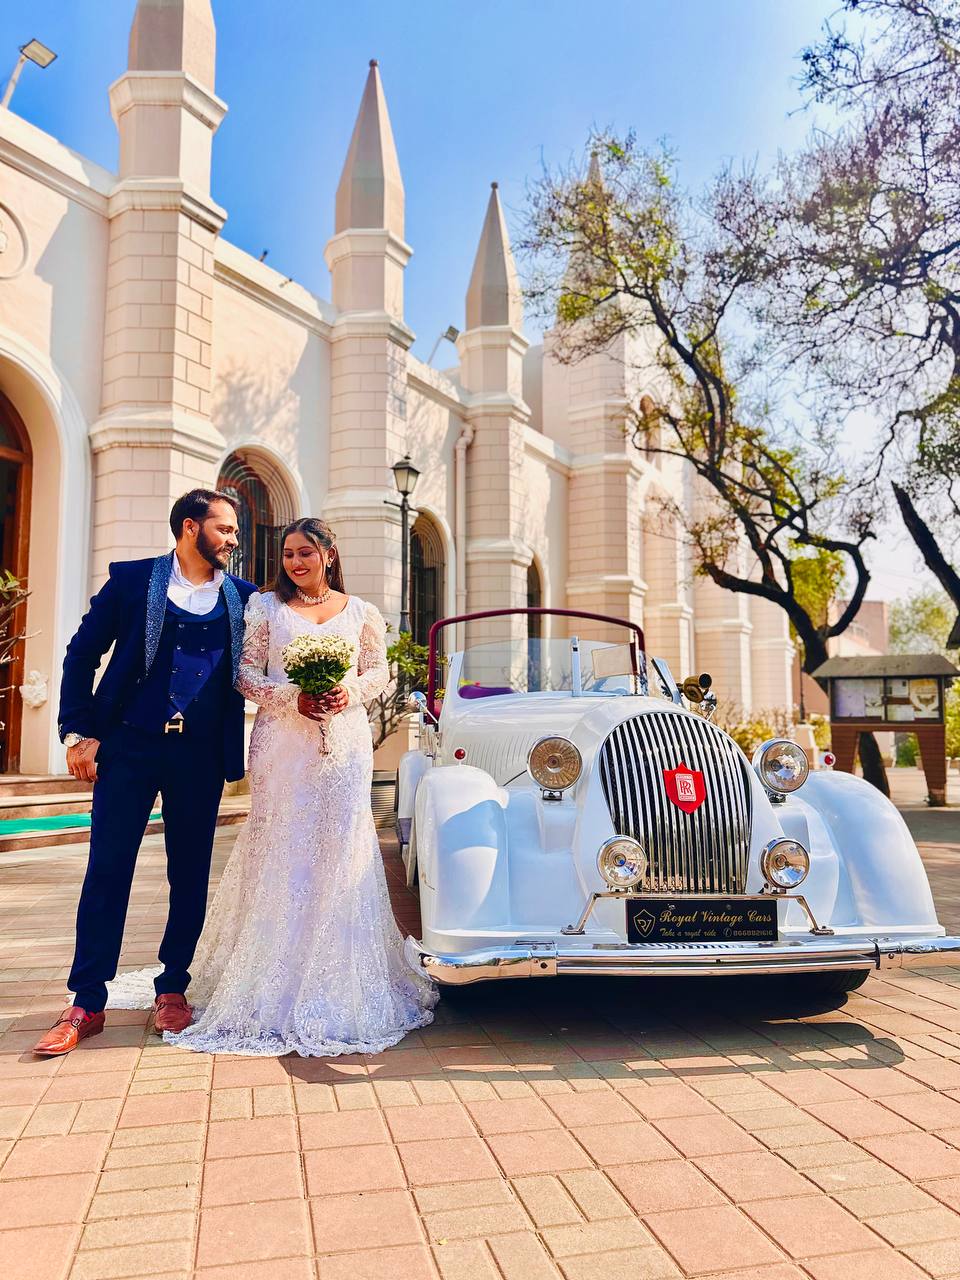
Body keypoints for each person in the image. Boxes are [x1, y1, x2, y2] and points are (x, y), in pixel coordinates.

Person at [107, 516, 436, 1056]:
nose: (295, 562)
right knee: (284, 848)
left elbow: (380, 672)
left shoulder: (361, 612)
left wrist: (348, 692)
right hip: (282, 743)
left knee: (340, 850)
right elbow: (243, 674)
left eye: (305, 552)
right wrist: (292, 698)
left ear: (329, 555)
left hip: (345, 743)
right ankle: (268, 982)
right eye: (288, 554)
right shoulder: (265, 607)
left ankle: (340, 981)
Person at [34, 491, 257, 1056]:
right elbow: (81, 653)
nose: (233, 539)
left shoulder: (244, 596)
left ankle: (173, 987)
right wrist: (79, 731)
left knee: (190, 874)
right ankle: (87, 1001)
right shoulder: (133, 581)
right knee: (107, 870)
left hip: (199, 756)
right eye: (226, 529)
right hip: (129, 746)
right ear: (191, 527)